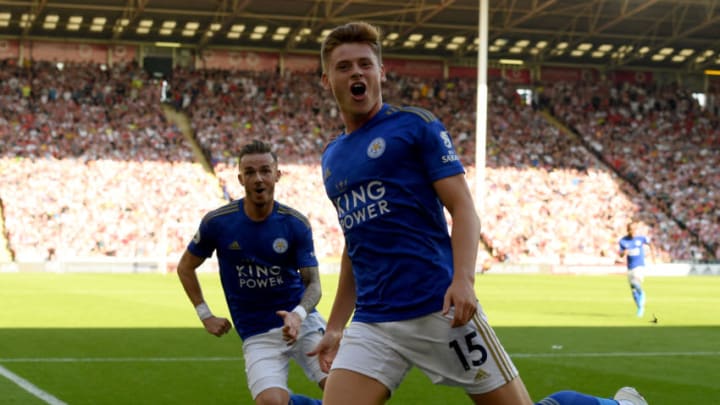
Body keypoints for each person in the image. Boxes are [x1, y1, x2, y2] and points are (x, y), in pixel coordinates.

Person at [309, 21, 648, 405]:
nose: (356, 72)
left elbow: (463, 208)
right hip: (373, 322)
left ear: (380, 72)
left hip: (437, 308)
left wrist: (464, 281)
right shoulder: (332, 157)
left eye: (365, 64)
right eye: (344, 66)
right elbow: (355, 243)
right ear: (326, 80)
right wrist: (336, 326)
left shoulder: (414, 126)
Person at [177, 140, 325, 405]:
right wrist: (205, 315)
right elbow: (186, 267)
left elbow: (313, 283)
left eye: (265, 171)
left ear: (277, 175)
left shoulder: (295, 223)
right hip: (256, 332)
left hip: (303, 324)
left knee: (346, 391)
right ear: (240, 178)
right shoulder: (218, 223)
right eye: (250, 172)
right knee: (271, 403)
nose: (258, 179)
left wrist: (299, 314)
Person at [618, 221, 656, 317]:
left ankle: (642, 292)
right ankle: (640, 307)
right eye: (631, 229)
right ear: (628, 230)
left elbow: (650, 243)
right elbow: (621, 254)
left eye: (635, 229)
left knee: (635, 282)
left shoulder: (641, 238)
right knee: (633, 290)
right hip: (630, 267)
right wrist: (624, 253)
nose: (633, 231)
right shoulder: (623, 241)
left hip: (639, 266)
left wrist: (652, 255)